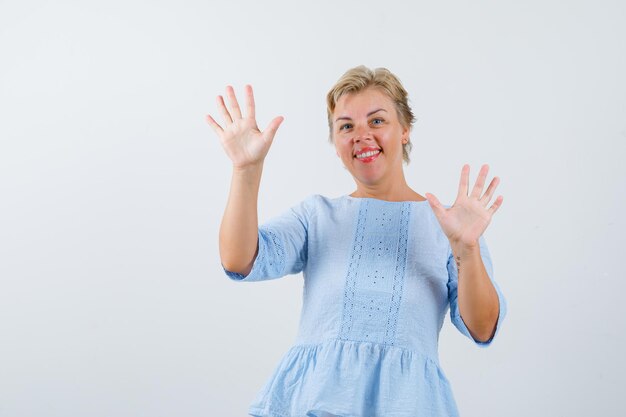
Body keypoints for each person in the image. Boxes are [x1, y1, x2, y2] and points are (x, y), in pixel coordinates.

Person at [206, 66, 507, 417]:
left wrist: (466, 250)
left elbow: (482, 327)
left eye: (377, 121)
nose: (361, 135)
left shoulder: (449, 226)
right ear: (336, 145)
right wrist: (246, 170)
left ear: (405, 130)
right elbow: (238, 259)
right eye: (346, 126)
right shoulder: (316, 216)